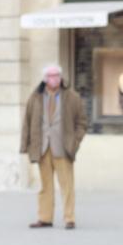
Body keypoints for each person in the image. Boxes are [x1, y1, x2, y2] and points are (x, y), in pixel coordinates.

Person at [20, 64, 87, 229]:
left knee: (67, 185)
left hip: (63, 148)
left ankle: (69, 218)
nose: (54, 78)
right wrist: (25, 145)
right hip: (42, 147)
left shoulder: (72, 97)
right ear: (45, 78)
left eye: (57, 75)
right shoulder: (35, 97)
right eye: (51, 75)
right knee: (45, 186)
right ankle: (45, 218)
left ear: (61, 77)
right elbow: (27, 122)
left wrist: (74, 142)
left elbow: (82, 122)